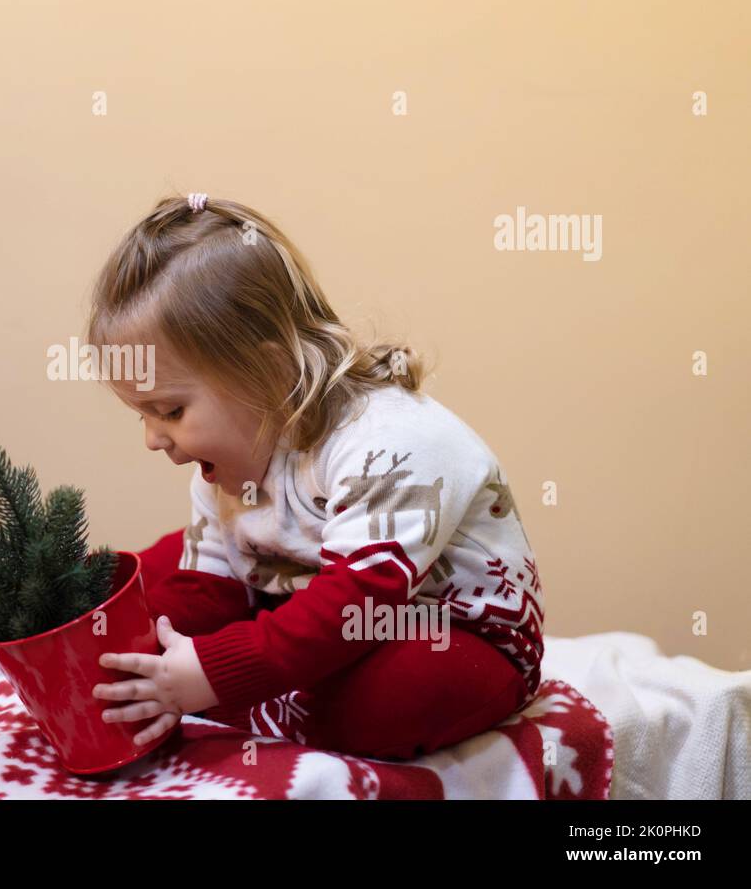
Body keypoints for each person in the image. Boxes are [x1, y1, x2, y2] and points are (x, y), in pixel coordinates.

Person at [88, 193, 545, 759]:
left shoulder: (391, 441)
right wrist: (146, 642)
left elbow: (355, 606)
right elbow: (211, 579)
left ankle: (263, 699)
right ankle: (53, 628)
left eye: (171, 412)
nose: (153, 440)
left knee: (393, 697)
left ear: (269, 371)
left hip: (450, 633)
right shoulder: (227, 467)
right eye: (143, 415)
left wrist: (210, 674)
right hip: (298, 610)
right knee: (149, 584)